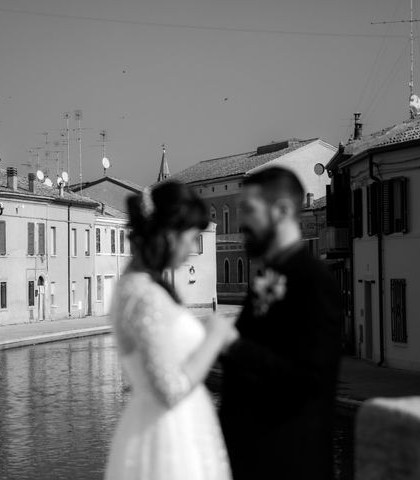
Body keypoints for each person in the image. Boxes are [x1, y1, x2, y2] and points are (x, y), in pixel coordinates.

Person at [105, 181, 236, 480]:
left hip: (163, 429)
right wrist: (214, 337)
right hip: (169, 440)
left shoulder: (135, 286)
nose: (193, 249)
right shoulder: (145, 296)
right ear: (168, 235)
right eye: (192, 238)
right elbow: (170, 389)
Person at [219, 167, 343, 480]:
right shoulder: (268, 276)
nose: (241, 223)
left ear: (283, 210)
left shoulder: (315, 282)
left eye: (249, 211)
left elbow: (307, 379)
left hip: (291, 463)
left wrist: (233, 346)